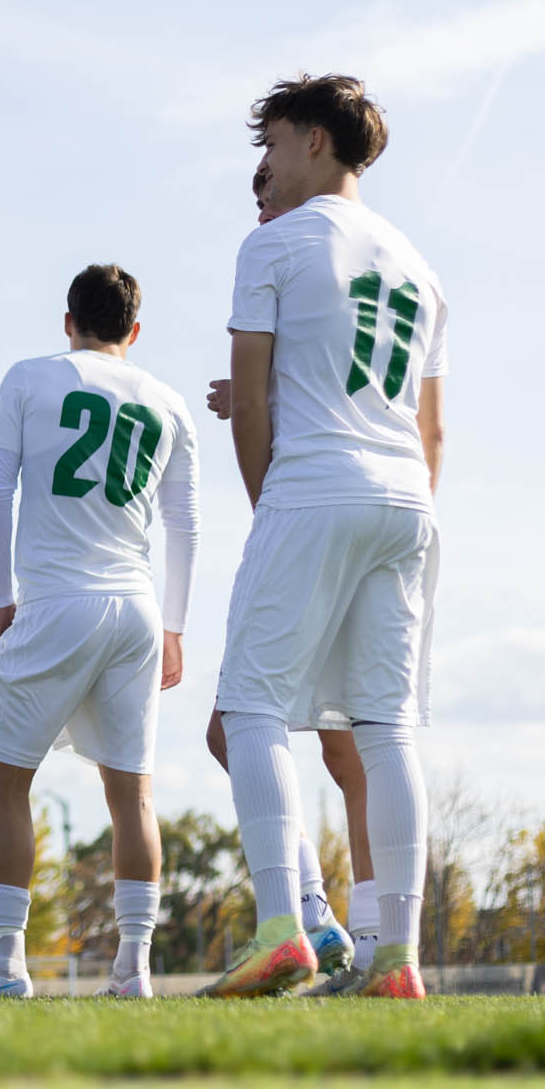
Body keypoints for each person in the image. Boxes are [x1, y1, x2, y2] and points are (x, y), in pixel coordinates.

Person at [202, 74, 446, 1001]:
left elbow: (253, 400)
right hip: (407, 500)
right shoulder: (421, 264)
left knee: (252, 707)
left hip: (314, 489)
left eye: (268, 145)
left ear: (310, 139)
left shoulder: (274, 241)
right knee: (388, 729)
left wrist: (273, 505)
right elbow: (430, 430)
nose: (263, 165)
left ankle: (282, 930)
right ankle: (400, 959)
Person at [0, 264, 199, 999]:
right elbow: (185, 525)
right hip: (137, 607)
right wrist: (174, 625)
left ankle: (4, 962)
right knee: (131, 792)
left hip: (58, 597)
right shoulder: (169, 402)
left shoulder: (29, 376)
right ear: (133, 332)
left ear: (68, 319)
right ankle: (132, 969)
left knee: (0, 778)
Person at [202, 167, 364, 991]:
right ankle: (350, 927)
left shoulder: (291, 253)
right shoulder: (363, 262)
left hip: (311, 510)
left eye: (267, 182)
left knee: (284, 728)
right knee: (338, 737)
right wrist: (252, 394)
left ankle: (320, 924)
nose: (259, 204)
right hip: (382, 507)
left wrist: (266, 487)